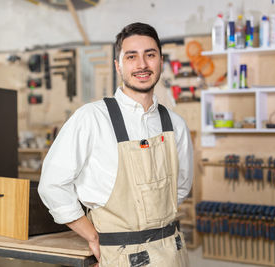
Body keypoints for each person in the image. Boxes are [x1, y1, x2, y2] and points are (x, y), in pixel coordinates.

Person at [38, 22, 193, 267]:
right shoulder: (91, 118)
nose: (142, 65)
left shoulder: (175, 124)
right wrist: (91, 235)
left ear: (160, 61)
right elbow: (51, 184)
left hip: (172, 254)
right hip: (119, 256)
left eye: (150, 55)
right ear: (118, 66)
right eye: (131, 57)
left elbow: (181, 188)